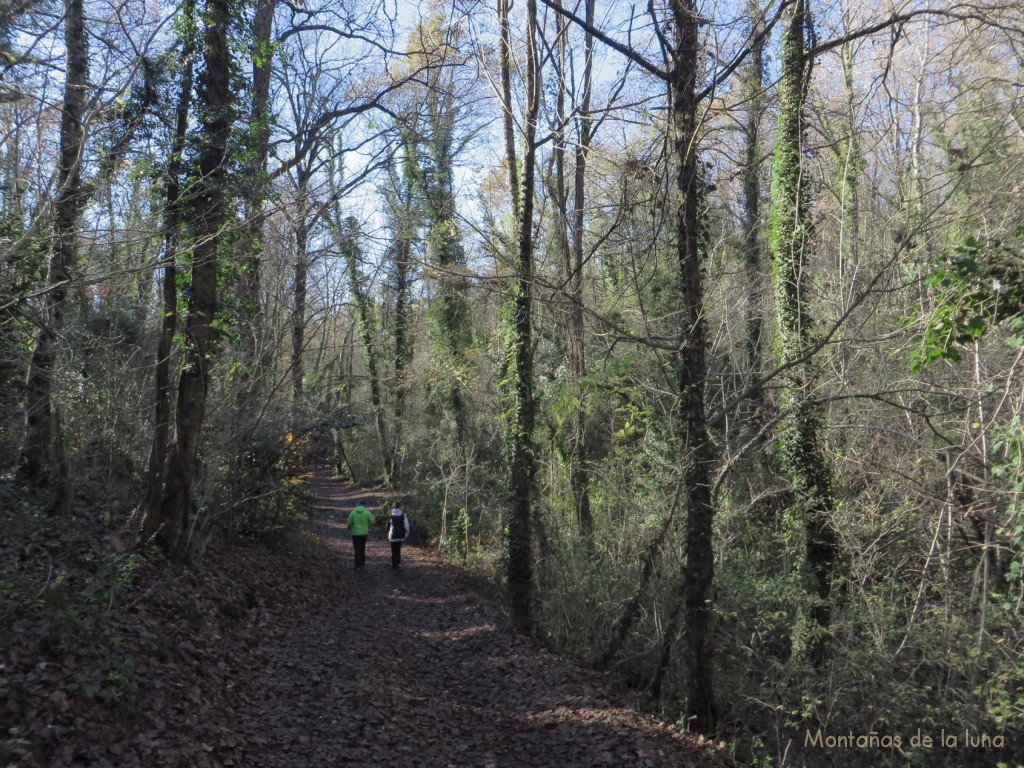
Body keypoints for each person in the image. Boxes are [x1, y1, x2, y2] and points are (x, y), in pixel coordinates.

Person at [346, 501, 375, 569]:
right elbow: (372, 521)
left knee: (356, 548)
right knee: (362, 547)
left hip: (355, 533)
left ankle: (357, 563)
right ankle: (362, 562)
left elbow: (349, 523)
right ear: (363, 506)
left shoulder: (352, 513)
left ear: (356, 506)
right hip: (364, 533)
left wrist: (348, 528)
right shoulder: (367, 512)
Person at [386, 505, 410, 571]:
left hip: (393, 536)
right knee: (398, 549)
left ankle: (394, 565)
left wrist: (388, 534)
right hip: (401, 536)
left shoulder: (390, 517)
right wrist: (407, 533)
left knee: (393, 551)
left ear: (393, 508)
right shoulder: (403, 516)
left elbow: (387, 527)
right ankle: (398, 563)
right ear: (400, 508)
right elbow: (407, 526)